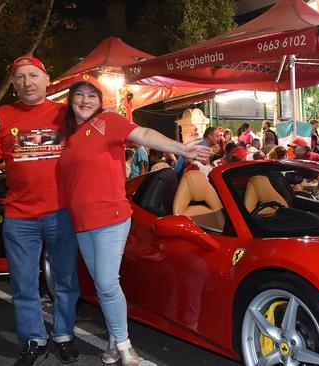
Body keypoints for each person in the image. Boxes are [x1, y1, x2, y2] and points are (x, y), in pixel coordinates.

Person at [57, 75, 212, 366]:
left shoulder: (108, 122)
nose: (85, 100)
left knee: (105, 282)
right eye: (80, 94)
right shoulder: (67, 136)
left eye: (92, 95)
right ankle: (115, 342)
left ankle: (126, 346)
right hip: (81, 223)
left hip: (111, 218)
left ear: (100, 101)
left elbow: (144, 134)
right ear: (71, 100)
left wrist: (180, 149)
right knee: (103, 284)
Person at [0, 55, 81, 365]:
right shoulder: (3, 115)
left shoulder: (67, 113)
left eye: (33, 75)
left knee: (66, 280)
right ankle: (34, 338)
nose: (27, 82)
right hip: (19, 216)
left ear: (47, 80)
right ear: (13, 85)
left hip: (62, 213)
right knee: (23, 283)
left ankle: (63, 335)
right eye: (20, 77)